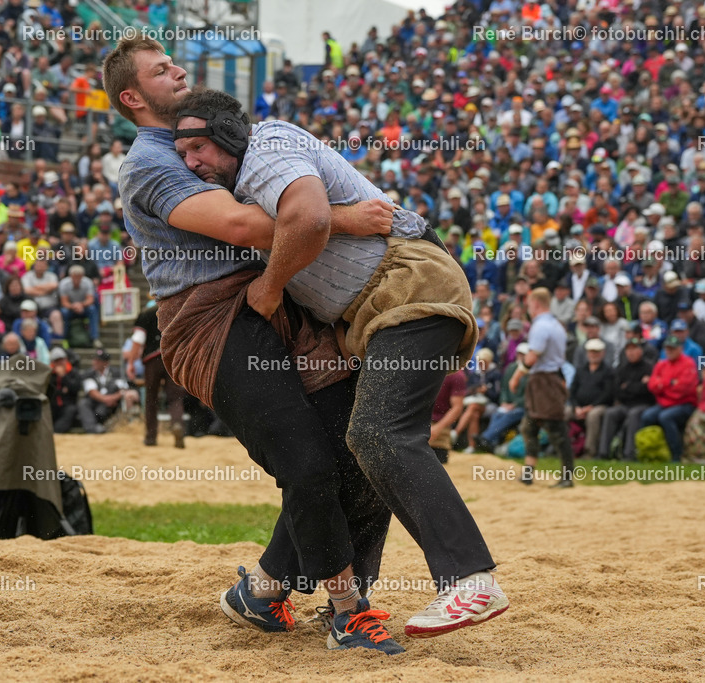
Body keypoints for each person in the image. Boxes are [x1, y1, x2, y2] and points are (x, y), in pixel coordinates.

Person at [171, 87, 508, 638]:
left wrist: (270, 288)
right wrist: (347, 217)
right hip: (377, 311)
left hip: (407, 288)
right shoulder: (247, 187)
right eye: (183, 155)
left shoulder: (266, 149)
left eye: (200, 148)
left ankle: (471, 579)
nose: (192, 163)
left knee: (379, 436)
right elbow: (307, 220)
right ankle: (271, 586)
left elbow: (305, 221)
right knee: (358, 444)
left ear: (230, 135)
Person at [105, 37, 404, 652]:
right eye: (161, 70)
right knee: (307, 461)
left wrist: (313, 216)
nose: (178, 70)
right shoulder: (150, 160)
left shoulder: (219, 136)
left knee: (366, 444)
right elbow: (242, 225)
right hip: (209, 320)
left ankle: (264, 590)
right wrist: (340, 217)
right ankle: (349, 611)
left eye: (175, 62)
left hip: (271, 299)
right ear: (132, 98)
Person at [514, 288, 574, 486]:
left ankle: (567, 477)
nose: (528, 309)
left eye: (529, 305)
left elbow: (532, 356)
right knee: (529, 426)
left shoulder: (540, 326)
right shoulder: (556, 324)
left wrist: (516, 376)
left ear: (536, 304)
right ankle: (528, 472)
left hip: (545, 380)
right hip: (548, 378)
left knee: (556, 428)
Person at [125, 301, 186, 448]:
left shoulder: (146, 313)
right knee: (175, 397)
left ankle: (151, 437)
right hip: (172, 359)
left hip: (152, 360)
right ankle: (177, 425)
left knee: (151, 398)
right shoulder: (175, 309)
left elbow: (138, 340)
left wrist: (131, 362)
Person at [642, 336, 699, 462]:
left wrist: (662, 386)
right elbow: (652, 385)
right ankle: (651, 451)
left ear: (680, 349)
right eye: (667, 348)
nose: (669, 351)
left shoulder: (688, 363)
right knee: (647, 416)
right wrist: (670, 383)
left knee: (665, 417)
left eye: (672, 349)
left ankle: (676, 454)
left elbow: (683, 390)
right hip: (665, 403)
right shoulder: (661, 364)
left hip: (685, 404)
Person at [599, 338, 656, 461]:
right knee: (611, 413)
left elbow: (648, 391)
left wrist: (628, 387)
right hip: (625, 404)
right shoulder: (622, 369)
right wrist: (637, 386)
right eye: (628, 349)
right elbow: (617, 391)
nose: (631, 352)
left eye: (634, 349)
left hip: (644, 404)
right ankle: (604, 452)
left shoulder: (649, 368)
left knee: (634, 414)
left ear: (640, 350)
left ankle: (629, 453)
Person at [567, 338, 614, 458]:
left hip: (599, 406)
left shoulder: (608, 371)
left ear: (603, 353)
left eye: (596, 352)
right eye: (591, 352)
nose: (593, 355)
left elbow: (608, 394)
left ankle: (590, 451)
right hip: (579, 406)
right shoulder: (580, 370)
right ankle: (563, 448)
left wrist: (590, 407)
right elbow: (572, 391)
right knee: (564, 412)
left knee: (593, 415)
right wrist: (576, 407)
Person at [79, 348, 139, 433]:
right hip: (96, 404)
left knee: (127, 394)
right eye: (94, 360)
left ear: (105, 363)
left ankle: (122, 424)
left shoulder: (116, 373)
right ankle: (92, 428)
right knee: (83, 403)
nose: (95, 362)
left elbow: (124, 389)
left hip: (112, 405)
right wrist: (106, 399)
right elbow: (91, 391)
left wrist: (114, 398)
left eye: (98, 360)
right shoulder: (89, 374)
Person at [47, 346, 84, 432]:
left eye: (62, 360)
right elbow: (48, 390)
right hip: (53, 405)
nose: (60, 363)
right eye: (57, 361)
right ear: (53, 362)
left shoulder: (73, 372)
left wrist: (64, 377)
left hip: (68, 405)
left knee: (70, 411)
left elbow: (75, 388)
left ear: (66, 359)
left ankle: (57, 431)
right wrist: (62, 391)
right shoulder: (49, 374)